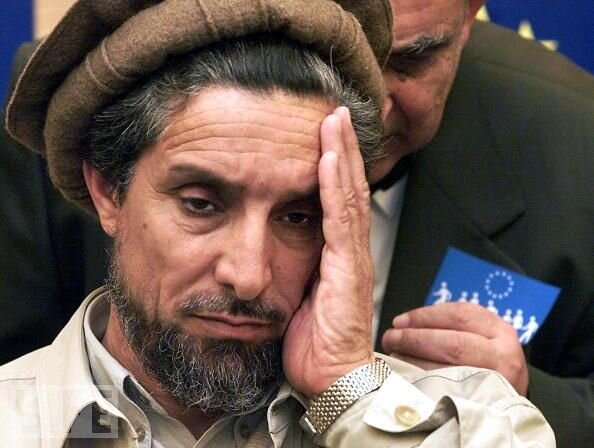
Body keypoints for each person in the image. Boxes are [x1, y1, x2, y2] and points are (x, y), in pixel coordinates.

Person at [1, 0, 592, 445]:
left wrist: (348, 391)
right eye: (201, 204)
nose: (249, 275)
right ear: (108, 190)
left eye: (298, 215)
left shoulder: (481, 419)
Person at [375, 1, 594, 446]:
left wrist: (526, 401)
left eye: (411, 60)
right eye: (341, 55)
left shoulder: (576, 146)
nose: (374, 110)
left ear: (468, 16)